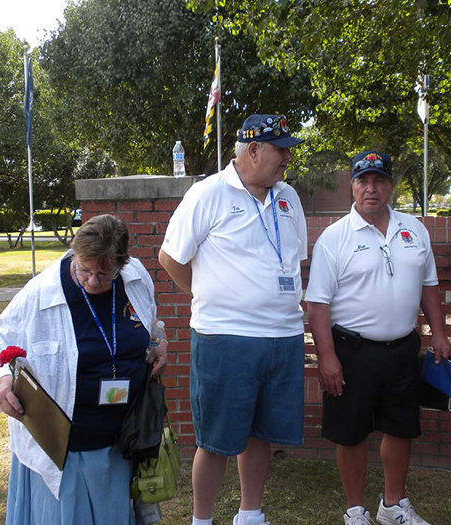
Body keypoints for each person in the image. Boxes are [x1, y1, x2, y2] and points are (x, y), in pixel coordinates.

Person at [159, 114, 307, 525]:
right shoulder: (208, 193)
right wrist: (207, 295)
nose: (287, 158)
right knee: (216, 440)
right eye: (280, 149)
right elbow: (170, 257)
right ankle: (202, 520)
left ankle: (250, 514)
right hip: (225, 338)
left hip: (283, 336)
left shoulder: (288, 197)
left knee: (262, 433)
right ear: (253, 150)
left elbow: (296, 260)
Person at [0, 214, 168, 525]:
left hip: (121, 441)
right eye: (84, 270)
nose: (92, 281)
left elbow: (149, 316)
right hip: (65, 450)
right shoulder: (41, 292)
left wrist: (158, 339)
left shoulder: (135, 276)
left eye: (104, 274)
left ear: (121, 264)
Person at [306, 151, 451, 525]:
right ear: (352, 187)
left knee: (401, 428)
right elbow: (317, 305)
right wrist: (326, 357)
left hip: (403, 348)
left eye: (379, 181)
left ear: (391, 185)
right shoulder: (334, 238)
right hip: (351, 352)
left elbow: (429, 285)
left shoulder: (414, 229)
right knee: (351, 434)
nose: (371, 189)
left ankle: (393, 506)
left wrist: (439, 333)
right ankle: (355, 511)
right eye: (363, 181)